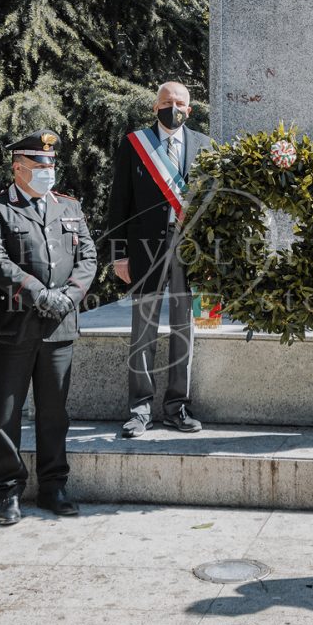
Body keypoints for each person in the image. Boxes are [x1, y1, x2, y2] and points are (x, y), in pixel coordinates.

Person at [0, 131, 97, 522]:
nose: (48, 171)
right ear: (18, 168)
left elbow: (88, 257)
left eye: (51, 165)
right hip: (12, 327)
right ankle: (9, 491)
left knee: (53, 413)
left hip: (60, 326)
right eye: (39, 165)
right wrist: (37, 293)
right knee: (6, 413)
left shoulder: (68, 207)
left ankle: (53, 486)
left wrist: (69, 297)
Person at [108, 81, 212, 437]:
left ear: (190, 109)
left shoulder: (204, 145)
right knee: (144, 330)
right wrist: (118, 254)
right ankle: (139, 410)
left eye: (180, 102)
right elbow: (118, 202)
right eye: (167, 102)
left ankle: (177, 407)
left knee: (185, 327)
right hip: (144, 250)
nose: (174, 107)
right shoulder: (135, 144)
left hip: (190, 251)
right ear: (155, 107)